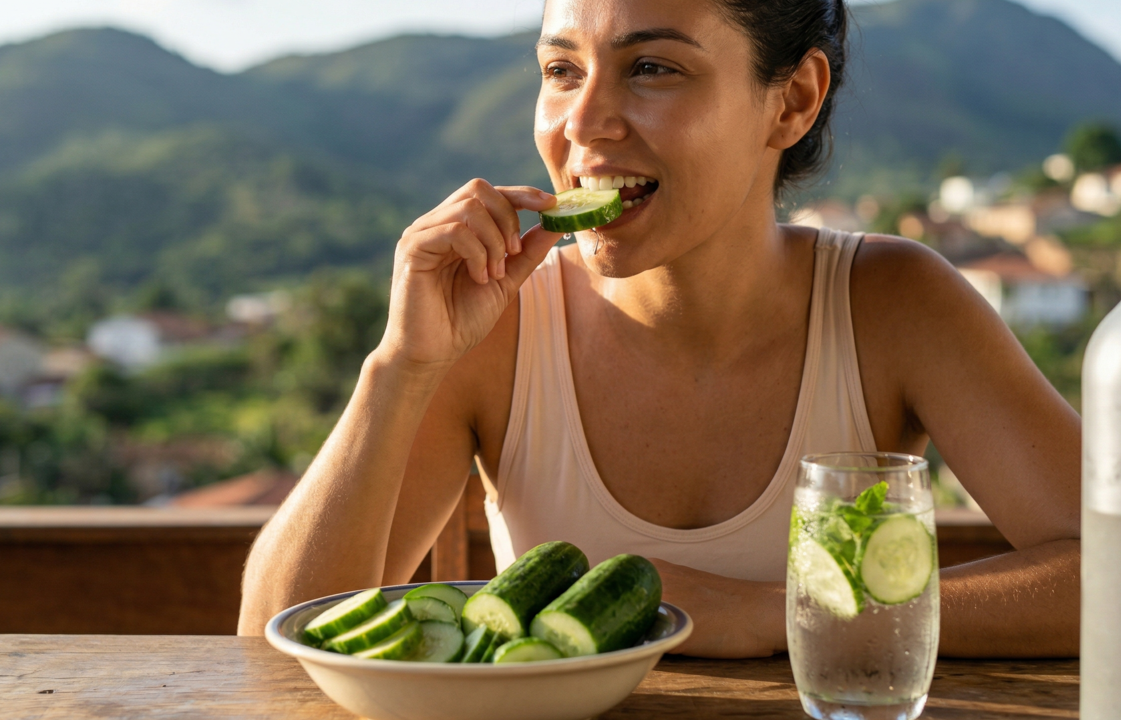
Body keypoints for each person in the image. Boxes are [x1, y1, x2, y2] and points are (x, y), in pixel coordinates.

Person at [238, 0, 1080, 658]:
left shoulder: (893, 304)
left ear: (791, 102)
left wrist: (775, 614)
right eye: (562, 70)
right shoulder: (496, 326)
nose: (582, 123)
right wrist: (402, 365)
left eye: (651, 68)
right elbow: (271, 647)